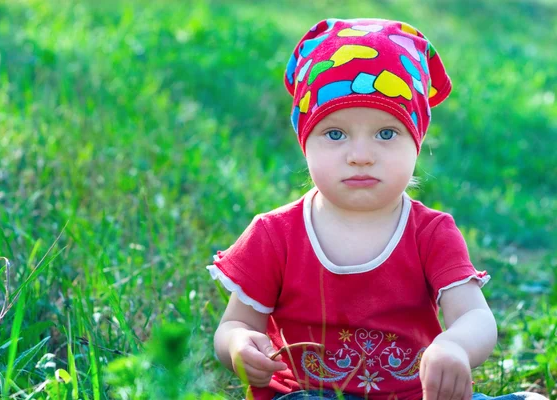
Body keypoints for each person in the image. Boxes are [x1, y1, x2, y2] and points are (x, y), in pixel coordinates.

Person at [207, 18, 547, 400]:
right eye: (334, 134)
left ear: (416, 143)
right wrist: (238, 345)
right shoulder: (275, 233)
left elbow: (475, 316)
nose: (361, 156)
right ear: (305, 142)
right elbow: (234, 323)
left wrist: (455, 346)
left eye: (387, 133)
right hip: (308, 393)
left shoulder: (431, 232)